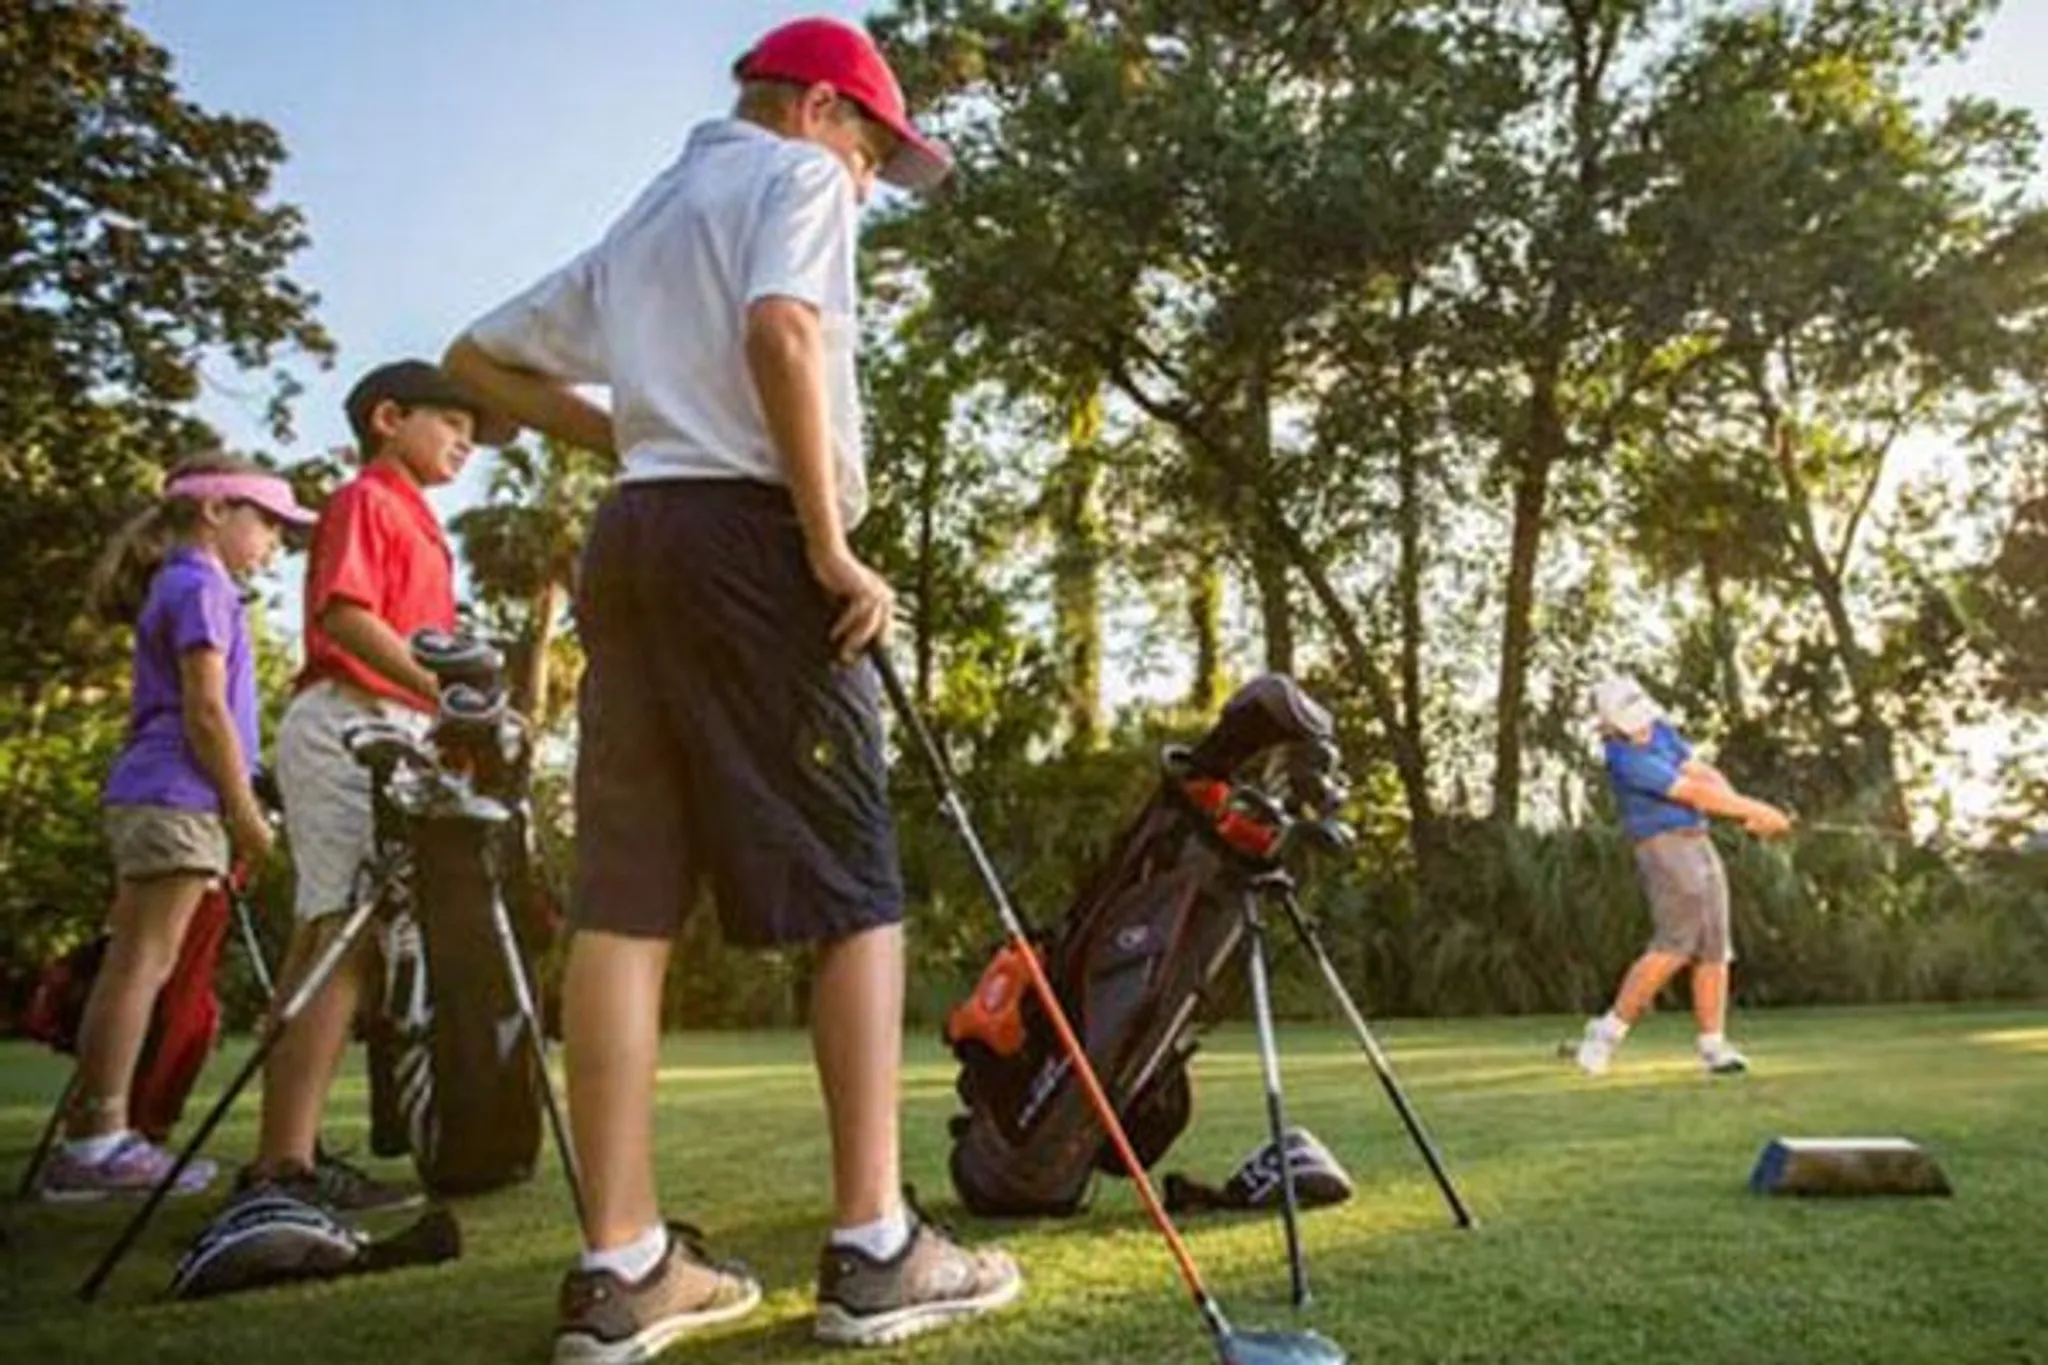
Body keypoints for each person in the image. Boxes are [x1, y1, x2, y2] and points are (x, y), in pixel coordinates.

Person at [444, 15, 1021, 1361]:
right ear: (823, 109)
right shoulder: (797, 178)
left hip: (636, 540)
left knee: (625, 897)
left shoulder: (650, 214)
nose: (871, 183)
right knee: (857, 885)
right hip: (754, 542)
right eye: (877, 148)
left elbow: (475, 361)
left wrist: (642, 431)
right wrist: (827, 543)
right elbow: (781, 331)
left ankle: (622, 1264)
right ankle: (876, 1245)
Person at [239, 360, 509, 1210]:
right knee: (345, 937)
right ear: (389, 417)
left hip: (389, 729)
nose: (467, 439)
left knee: (326, 934)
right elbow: (346, 617)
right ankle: (286, 1168)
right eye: (451, 421)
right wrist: (446, 698)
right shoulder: (368, 499)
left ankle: (284, 1148)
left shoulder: (422, 522)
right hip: (348, 721)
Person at [41, 457, 314, 1199]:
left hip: (157, 791)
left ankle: (94, 1137)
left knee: (137, 962)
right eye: (266, 524)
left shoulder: (185, 582)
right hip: (178, 794)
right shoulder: (202, 585)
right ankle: (97, 1145)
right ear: (216, 511)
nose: (272, 543)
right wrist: (246, 811)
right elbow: (205, 710)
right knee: (143, 966)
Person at [1573, 674, 1793, 1077]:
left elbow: (1702, 773)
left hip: (1697, 839)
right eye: (1631, 722)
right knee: (1675, 944)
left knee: (1714, 945)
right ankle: (1606, 1034)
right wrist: (1754, 810)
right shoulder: (1625, 759)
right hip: (1663, 847)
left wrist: (1745, 810)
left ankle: (1713, 1046)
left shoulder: (1659, 730)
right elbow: (1692, 792)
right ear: (1610, 724)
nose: (1641, 728)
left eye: (1642, 717)